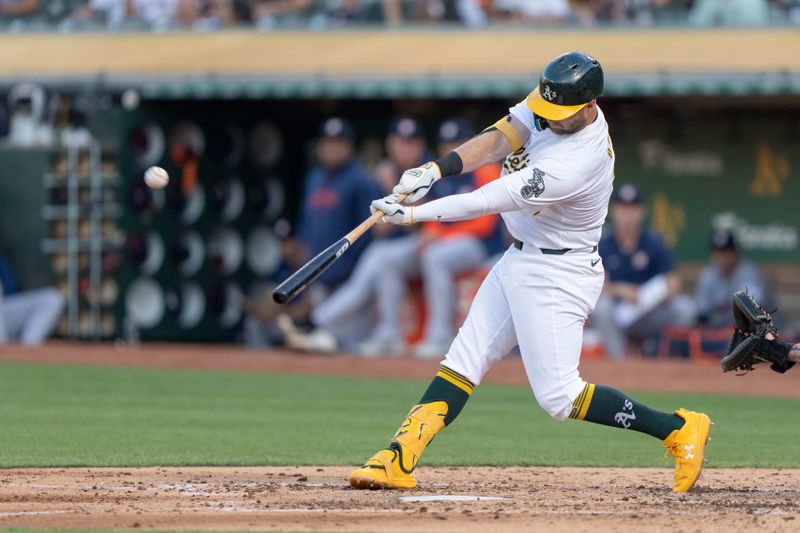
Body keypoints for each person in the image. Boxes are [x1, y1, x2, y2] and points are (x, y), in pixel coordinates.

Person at [349, 51, 711, 494]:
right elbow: (503, 136)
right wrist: (435, 169)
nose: (549, 119)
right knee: (464, 358)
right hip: (520, 258)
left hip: (559, 272)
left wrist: (412, 214)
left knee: (560, 397)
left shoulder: (578, 161)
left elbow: (487, 199)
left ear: (590, 106)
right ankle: (398, 457)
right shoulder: (551, 101)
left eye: (560, 114)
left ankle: (677, 428)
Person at [283, 116, 430, 354]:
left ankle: (314, 323)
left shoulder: (428, 171)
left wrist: (389, 185)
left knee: (379, 258)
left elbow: (416, 226)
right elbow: (380, 228)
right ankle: (318, 326)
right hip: (336, 274)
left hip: (366, 267)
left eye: (410, 142)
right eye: (399, 141)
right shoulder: (316, 177)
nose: (404, 147)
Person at [361, 117, 501, 359]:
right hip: (445, 242)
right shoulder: (443, 173)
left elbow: (484, 223)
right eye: (447, 144)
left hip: (482, 246)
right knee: (388, 259)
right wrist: (432, 234)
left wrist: (440, 235)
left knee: (436, 257)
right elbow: (433, 216)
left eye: (458, 142)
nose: (452, 149)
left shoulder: (487, 169)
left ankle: (440, 337)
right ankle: (388, 334)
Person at [244, 118, 379, 349]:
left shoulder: (362, 182)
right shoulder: (314, 178)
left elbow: (364, 239)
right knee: (260, 322)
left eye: (338, 142)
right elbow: (306, 233)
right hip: (311, 279)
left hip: (342, 286)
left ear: (349, 146)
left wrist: (317, 287)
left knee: (323, 337)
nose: (331, 148)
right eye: (327, 142)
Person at [591, 184, 695, 359]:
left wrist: (652, 296)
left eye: (632, 209)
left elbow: (673, 282)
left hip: (651, 311)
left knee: (685, 308)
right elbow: (595, 285)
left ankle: (657, 356)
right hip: (620, 313)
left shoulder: (654, 241)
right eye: (623, 209)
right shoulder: (603, 244)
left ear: (641, 212)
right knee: (601, 308)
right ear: (614, 211)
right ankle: (620, 363)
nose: (627, 215)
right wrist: (622, 291)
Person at [695, 228, 775, 329]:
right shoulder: (708, 275)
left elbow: (753, 313)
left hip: (762, 332)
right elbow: (702, 312)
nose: (722, 258)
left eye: (726, 253)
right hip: (720, 334)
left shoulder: (749, 274)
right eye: (717, 253)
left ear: (736, 253)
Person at [0, 252, 64, 346]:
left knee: (52, 299)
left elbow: (11, 287)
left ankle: (27, 350)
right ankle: (3, 350)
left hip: (5, 310)